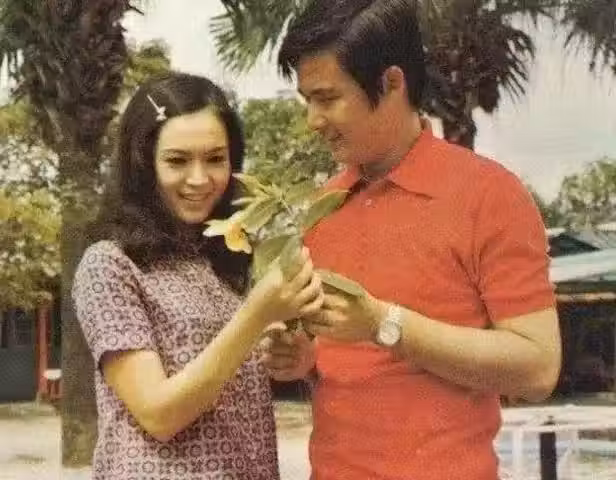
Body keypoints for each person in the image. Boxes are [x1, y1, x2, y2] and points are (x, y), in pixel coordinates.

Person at [262, 1, 562, 479]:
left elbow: (538, 368)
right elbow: (345, 364)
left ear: (392, 82)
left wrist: (384, 323)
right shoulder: (322, 208)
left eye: (327, 98)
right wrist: (303, 359)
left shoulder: (489, 195)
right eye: (307, 101)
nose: (313, 120)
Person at [72, 72, 324, 479]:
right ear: (143, 163)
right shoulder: (110, 264)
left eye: (215, 159)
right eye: (177, 160)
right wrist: (256, 316)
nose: (199, 179)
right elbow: (158, 414)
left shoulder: (235, 254)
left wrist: (295, 359)